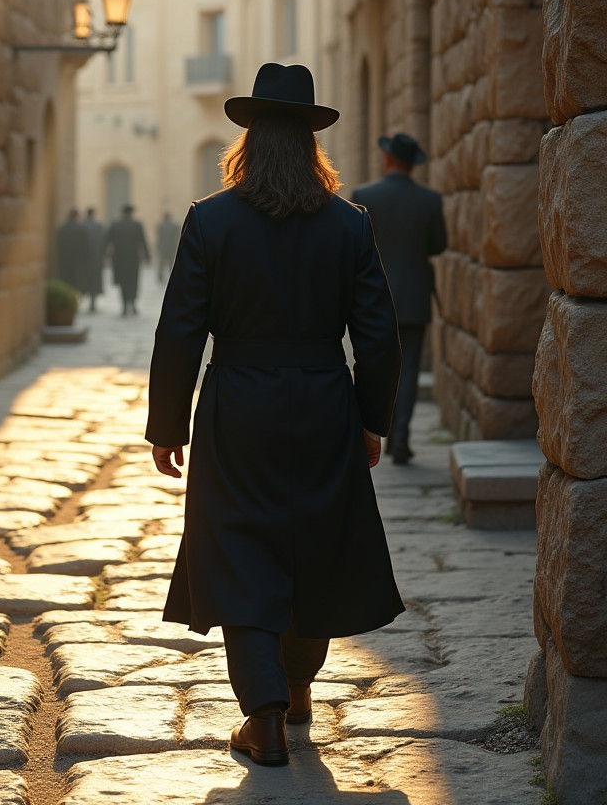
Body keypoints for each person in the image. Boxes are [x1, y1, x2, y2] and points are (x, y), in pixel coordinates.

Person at [146, 63, 403, 767]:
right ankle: (294, 690)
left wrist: (168, 425)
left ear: (249, 142)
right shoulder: (349, 226)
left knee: (240, 551)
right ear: (311, 145)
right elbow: (380, 336)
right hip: (324, 401)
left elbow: (179, 331)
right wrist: (371, 418)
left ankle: (262, 716)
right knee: (313, 545)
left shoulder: (210, 220)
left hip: (237, 408)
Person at [352, 133, 446, 465]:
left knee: (374, 362)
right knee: (407, 372)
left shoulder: (364, 197)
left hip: (371, 300)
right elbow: (438, 245)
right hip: (414, 297)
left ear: (387, 159)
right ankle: (401, 438)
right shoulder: (430, 200)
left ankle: (374, 429)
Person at [104, 204, 150, 316]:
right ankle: (133, 304)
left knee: (123, 282)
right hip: (133, 258)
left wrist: (105, 255)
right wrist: (147, 256)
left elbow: (107, 241)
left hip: (119, 258)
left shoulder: (115, 225)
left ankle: (124, 305)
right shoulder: (137, 225)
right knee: (133, 281)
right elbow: (143, 241)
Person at [79, 207, 106, 313]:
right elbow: (103, 243)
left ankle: (81, 301)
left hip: (84, 259)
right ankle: (93, 303)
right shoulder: (98, 226)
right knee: (94, 281)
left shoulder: (81, 226)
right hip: (96, 259)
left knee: (84, 280)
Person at [54, 208, 86, 292]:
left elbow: (58, 244)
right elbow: (84, 246)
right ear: (77, 216)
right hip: (77, 261)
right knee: (76, 282)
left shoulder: (62, 229)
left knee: (65, 281)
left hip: (64, 260)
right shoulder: (81, 229)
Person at [155, 211, 181, 283]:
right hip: (172, 247)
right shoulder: (175, 226)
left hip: (163, 248)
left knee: (162, 264)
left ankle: (160, 277)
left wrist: (157, 247)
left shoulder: (160, 226)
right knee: (171, 263)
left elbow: (159, 238)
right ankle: (173, 277)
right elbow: (177, 237)